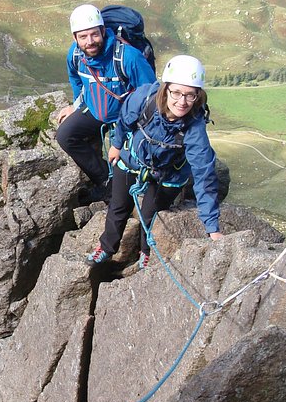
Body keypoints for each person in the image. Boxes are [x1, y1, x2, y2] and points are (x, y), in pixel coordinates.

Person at [86, 54, 224, 269]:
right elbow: (124, 120)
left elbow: (204, 175)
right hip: (134, 158)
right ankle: (106, 247)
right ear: (165, 88)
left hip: (168, 173)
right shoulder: (144, 98)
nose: (182, 101)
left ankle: (146, 250)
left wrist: (212, 228)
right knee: (119, 206)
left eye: (190, 95)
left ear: (198, 96)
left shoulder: (194, 128)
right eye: (176, 92)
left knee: (151, 214)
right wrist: (116, 144)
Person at [57, 4, 156, 203]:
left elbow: (150, 94)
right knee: (66, 135)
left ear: (103, 31)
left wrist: (130, 129)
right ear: (74, 38)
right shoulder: (75, 55)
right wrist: (75, 105)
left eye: (94, 34)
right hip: (95, 109)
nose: (90, 41)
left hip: (127, 118)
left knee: (122, 159)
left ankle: (123, 194)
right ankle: (105, 181)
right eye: (83, 37)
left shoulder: (128, 56)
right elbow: (75, 78)